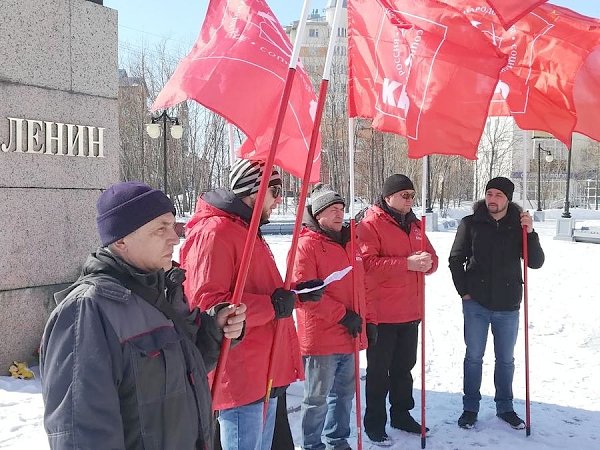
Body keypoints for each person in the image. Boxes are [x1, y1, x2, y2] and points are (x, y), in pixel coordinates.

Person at [39, 181, 246, 450]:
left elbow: (184, 370)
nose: (174, 238)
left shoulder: (165, 293)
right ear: (122, 240)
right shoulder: (87, 312)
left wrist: (214, 329)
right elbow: (81, 433)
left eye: (172, 226)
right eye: (161, 228)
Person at [180, 158, 324, 450]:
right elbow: (208, 306)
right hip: (240, 374)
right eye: (274, 190)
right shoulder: (216, 232)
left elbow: (258, 291)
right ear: (253, 190)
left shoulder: (245, 229)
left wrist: (294, 296)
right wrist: (273, 305)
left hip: (263, 371)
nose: (279, 198)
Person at [449, 176, 545, 430]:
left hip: (508, 304)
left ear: (508, 199)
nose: (492, 199)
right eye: (489, 193)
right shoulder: (470, 224)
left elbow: (535, 262)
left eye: (498, 195)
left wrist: (531, 232)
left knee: (505, 360)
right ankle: (470, 408)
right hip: (476, 304)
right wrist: (464, 292)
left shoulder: (518, 226)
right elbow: (456, 259)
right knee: (474, 357)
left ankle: (505, 407)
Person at [291, 184, 376, 450]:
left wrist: (368, 320)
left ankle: (338, 439)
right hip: (322, 338)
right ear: (318, 215)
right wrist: (342, 315)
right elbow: (305, 294)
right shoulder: (306, 246)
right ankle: (312, 445)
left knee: (345, 396)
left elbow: (362, 287)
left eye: (341, 209)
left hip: (350, 335)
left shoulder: (352, 244)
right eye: (332, 210)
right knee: (317, 398)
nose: (339, 214)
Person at [357, 174, 438, 446]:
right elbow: (367, 265)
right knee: (379, 372)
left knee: (405, 369)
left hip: (411, 312)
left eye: (412, 195)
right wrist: (407, 264)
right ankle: (375, 423)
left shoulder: (415, 224)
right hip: (382, 314)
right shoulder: (370, 224)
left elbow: (432, 256)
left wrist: (428, 263)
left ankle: (402, 415)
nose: (409, 200)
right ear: (389, 196)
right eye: (405, 195)